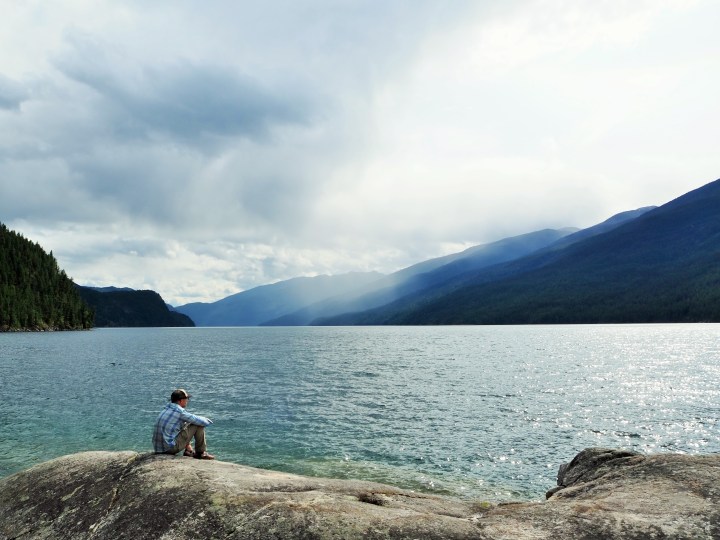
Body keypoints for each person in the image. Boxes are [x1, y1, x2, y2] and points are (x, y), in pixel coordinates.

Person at [153, 388, 215, 460]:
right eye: (187, 398)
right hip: (169, 449)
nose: (187, 401)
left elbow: (184, 426)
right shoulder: (180, 412)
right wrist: (209, 420)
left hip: (158, 448)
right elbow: (202, 422)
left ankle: (188, 450)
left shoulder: (166, 409)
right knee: (197, 425)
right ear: (181, 400)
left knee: (185, 424)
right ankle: (200, 453)